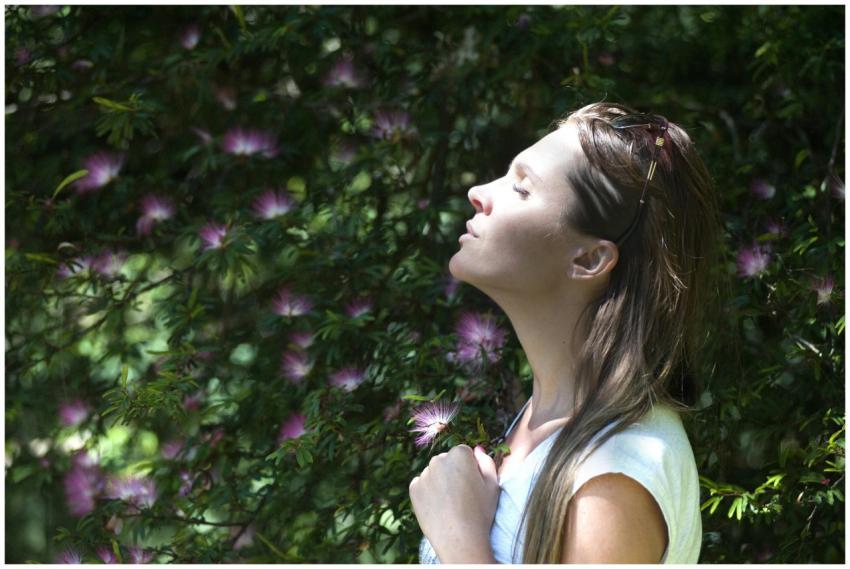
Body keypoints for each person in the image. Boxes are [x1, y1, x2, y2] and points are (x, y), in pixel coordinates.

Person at [409, 101, 723, 563]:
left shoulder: (615, 472)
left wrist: (459, 539)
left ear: (589, 260)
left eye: (521, 188)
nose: (478, 191)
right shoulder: (547, 423)